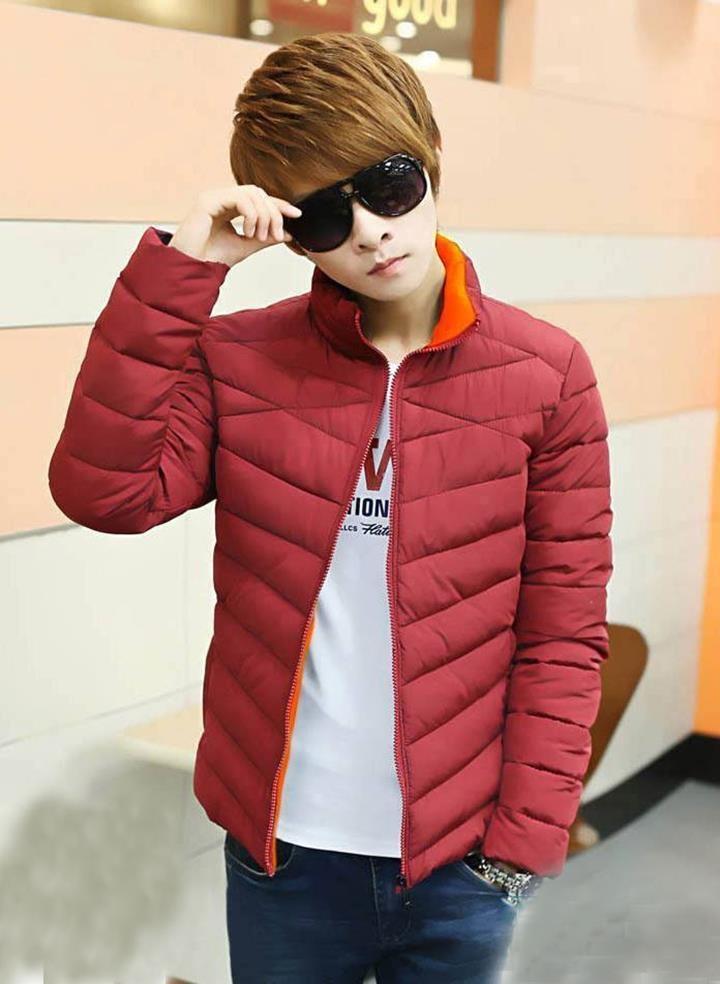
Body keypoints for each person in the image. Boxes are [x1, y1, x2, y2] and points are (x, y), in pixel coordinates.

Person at [48, 31, 614, 984]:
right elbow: (106, 492)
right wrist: (188, 266)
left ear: (430, 156)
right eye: (321, 214)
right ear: (287, 230)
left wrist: (518, 850)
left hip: (461, 861)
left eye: (388, 184)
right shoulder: (241, 361)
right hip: (287, 856)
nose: (370, 231)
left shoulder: (546, 375)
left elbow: (564, 631)